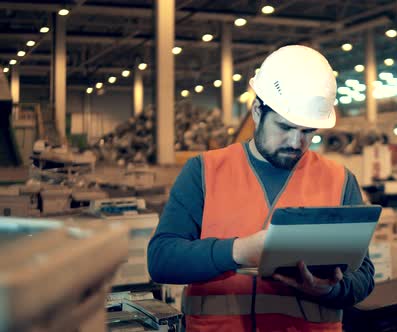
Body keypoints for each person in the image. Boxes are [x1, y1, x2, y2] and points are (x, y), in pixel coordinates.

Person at [147, 45, 375, 332]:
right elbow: (161, 260)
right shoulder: (204, 171)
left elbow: (363, 277)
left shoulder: (339, 179)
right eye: (284, 127)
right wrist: (238, 251)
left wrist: (325, 290)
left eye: (307, 132)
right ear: (257, 111)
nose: (295, 142)